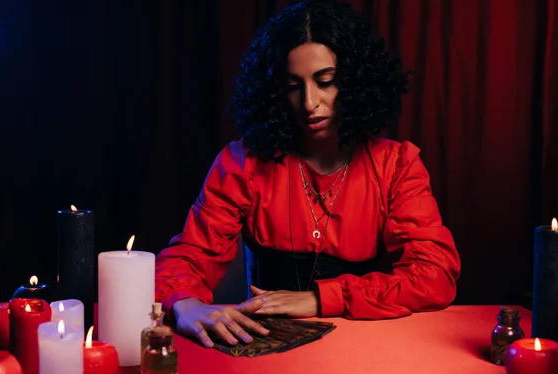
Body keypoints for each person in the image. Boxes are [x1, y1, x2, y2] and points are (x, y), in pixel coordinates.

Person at [154, 0, 461, 348]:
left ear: (356, 81)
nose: (309, 102)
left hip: (368, 347)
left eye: (325, 81)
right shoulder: (243, 162)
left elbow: (435, 276)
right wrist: (185, 303)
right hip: (267, 348)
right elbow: (189, 256)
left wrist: (320, 298)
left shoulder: (396, 165)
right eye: (292, 86)